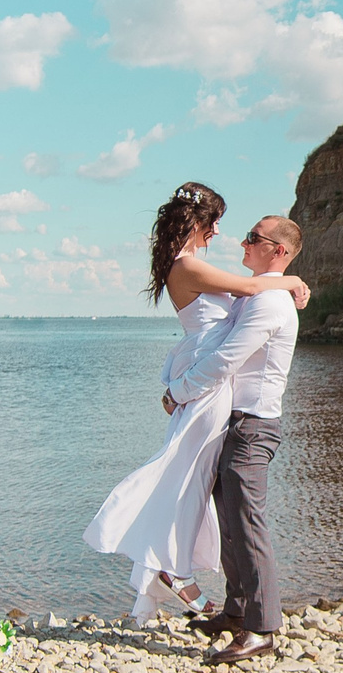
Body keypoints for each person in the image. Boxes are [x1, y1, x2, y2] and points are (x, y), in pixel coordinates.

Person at [84, 183, 309, 625]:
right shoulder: (186, 266)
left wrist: (288, 284)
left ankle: (174, 573)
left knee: (192, 480)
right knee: (186, 478)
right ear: (198, 222)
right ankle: (173, 570)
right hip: (206, 389)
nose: (223, 233)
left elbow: (250, 295)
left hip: (212, 388)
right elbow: (248, 287)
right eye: (217, 222)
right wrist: (295, 280)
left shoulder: (193, 265)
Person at [162, 215, 302, 667]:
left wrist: (178, 391)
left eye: (254, 239)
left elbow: (225, 359)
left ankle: (262, 629)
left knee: (248, 524)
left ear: (277, 251)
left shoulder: (268, 304)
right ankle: (236, 610)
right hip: (234, 422)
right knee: (229, 520)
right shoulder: (260, 295)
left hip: (253, 424)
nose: (243, 242)